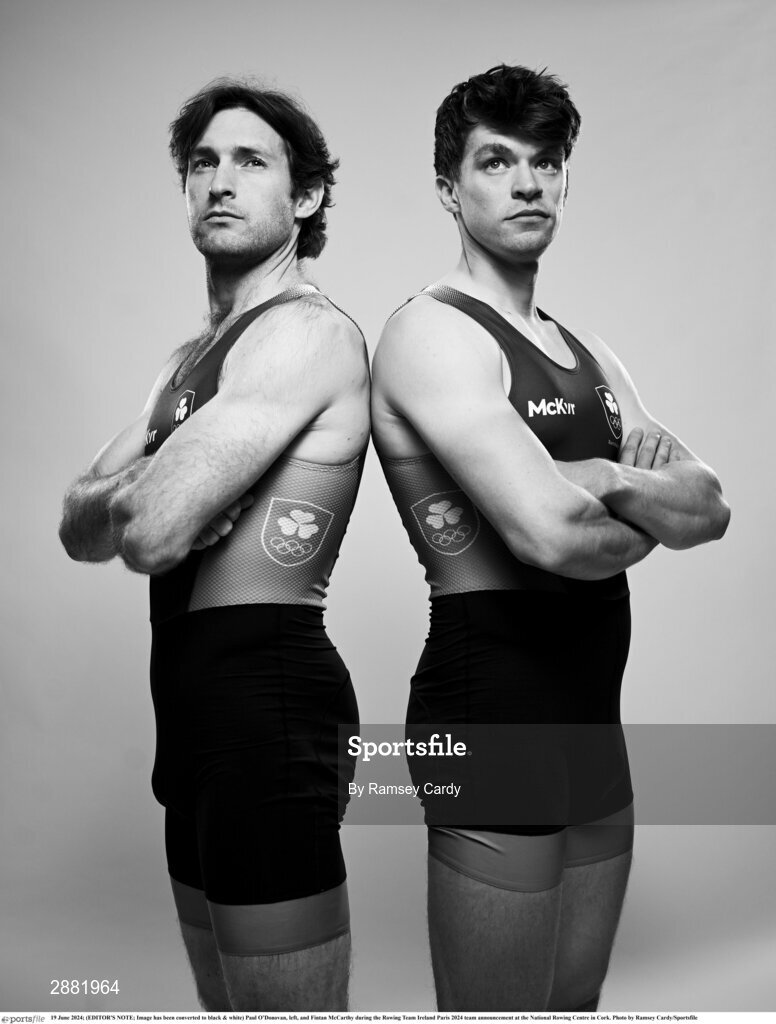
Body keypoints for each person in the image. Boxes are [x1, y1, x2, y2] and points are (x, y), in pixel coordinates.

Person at [371, 64, 730, 1012]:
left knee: (573, 1007)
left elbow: (709, 506)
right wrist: (623, 482)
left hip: (592, 724)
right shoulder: (432, 333)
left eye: (547, 162)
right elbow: (551, 537)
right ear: (451, 188)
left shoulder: (589, 351)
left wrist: (596, 483)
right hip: (493, 709)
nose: (528, 183)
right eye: (498, 161)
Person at [58, 79, 369, 1012]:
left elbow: (149, 537)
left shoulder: (305, 336)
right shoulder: (185, 364)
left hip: (265, 705)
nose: (220, 182)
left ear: (304, 197)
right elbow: (76, 524)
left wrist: (149, 496)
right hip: (187, 716)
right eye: (203, 163)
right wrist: (156, 477)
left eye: (251, 161)